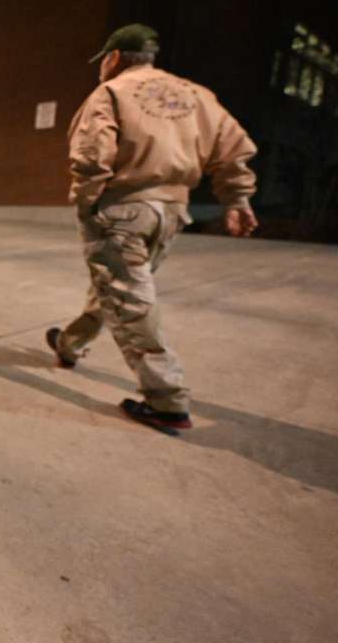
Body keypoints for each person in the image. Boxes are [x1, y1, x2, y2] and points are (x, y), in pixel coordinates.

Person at [46, 23, 259, 431]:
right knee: (121, 286)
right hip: (172, 211)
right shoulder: (199, 97)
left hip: (123, 206)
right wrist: (238, 200)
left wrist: (89, 202)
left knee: (129, 298)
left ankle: (167, 399)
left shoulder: (110, 93)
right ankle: (70, 344)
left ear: (113, 58)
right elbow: (233, 150)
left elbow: (92, 154)